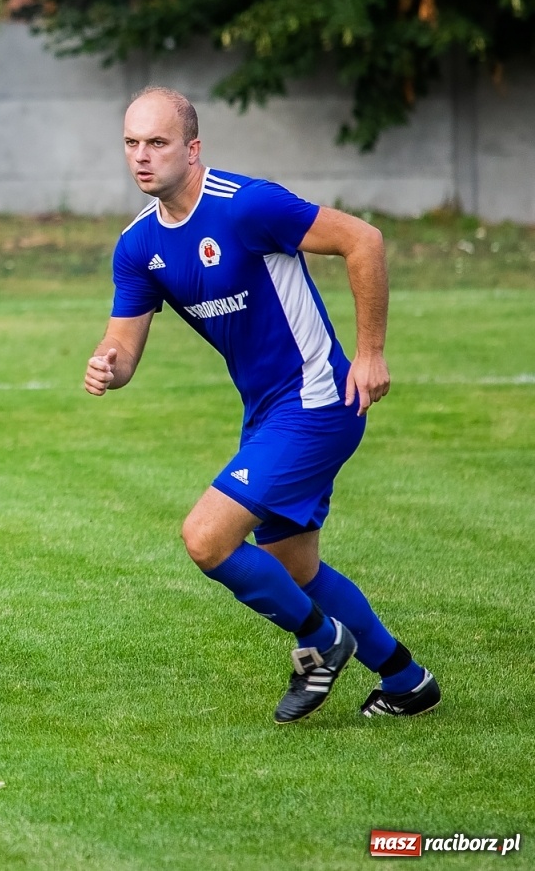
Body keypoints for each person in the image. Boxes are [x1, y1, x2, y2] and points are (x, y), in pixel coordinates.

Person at [84, 87, 438, 723]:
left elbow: (364, 240)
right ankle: (407, 680)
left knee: (205, 538)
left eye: (157, 143)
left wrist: (371, 352)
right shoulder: (138, 246)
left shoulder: (248, 206)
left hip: (319, 400)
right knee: (294, 569)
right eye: (132, 144)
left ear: (193, 150)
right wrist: (110, 363)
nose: (142, 157)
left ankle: (320, 641)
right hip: (268, 412)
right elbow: (125, 343)